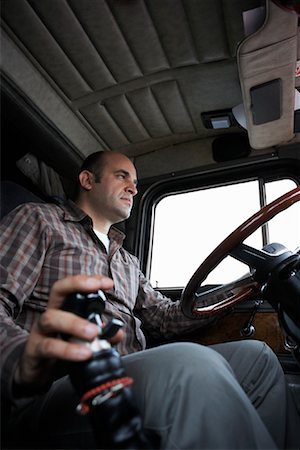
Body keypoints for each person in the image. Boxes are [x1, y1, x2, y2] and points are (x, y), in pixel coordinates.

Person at [0, 151, 299, 449]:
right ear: (87, 180)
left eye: (136, 181)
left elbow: (166, 318)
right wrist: (26, 359)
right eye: (122, 176)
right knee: (190, 366)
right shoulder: (40, 220)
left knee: (258, 360)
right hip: (58, 385)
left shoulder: (128, 261)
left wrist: (247, 282)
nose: (133, 187)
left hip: (127, 372)